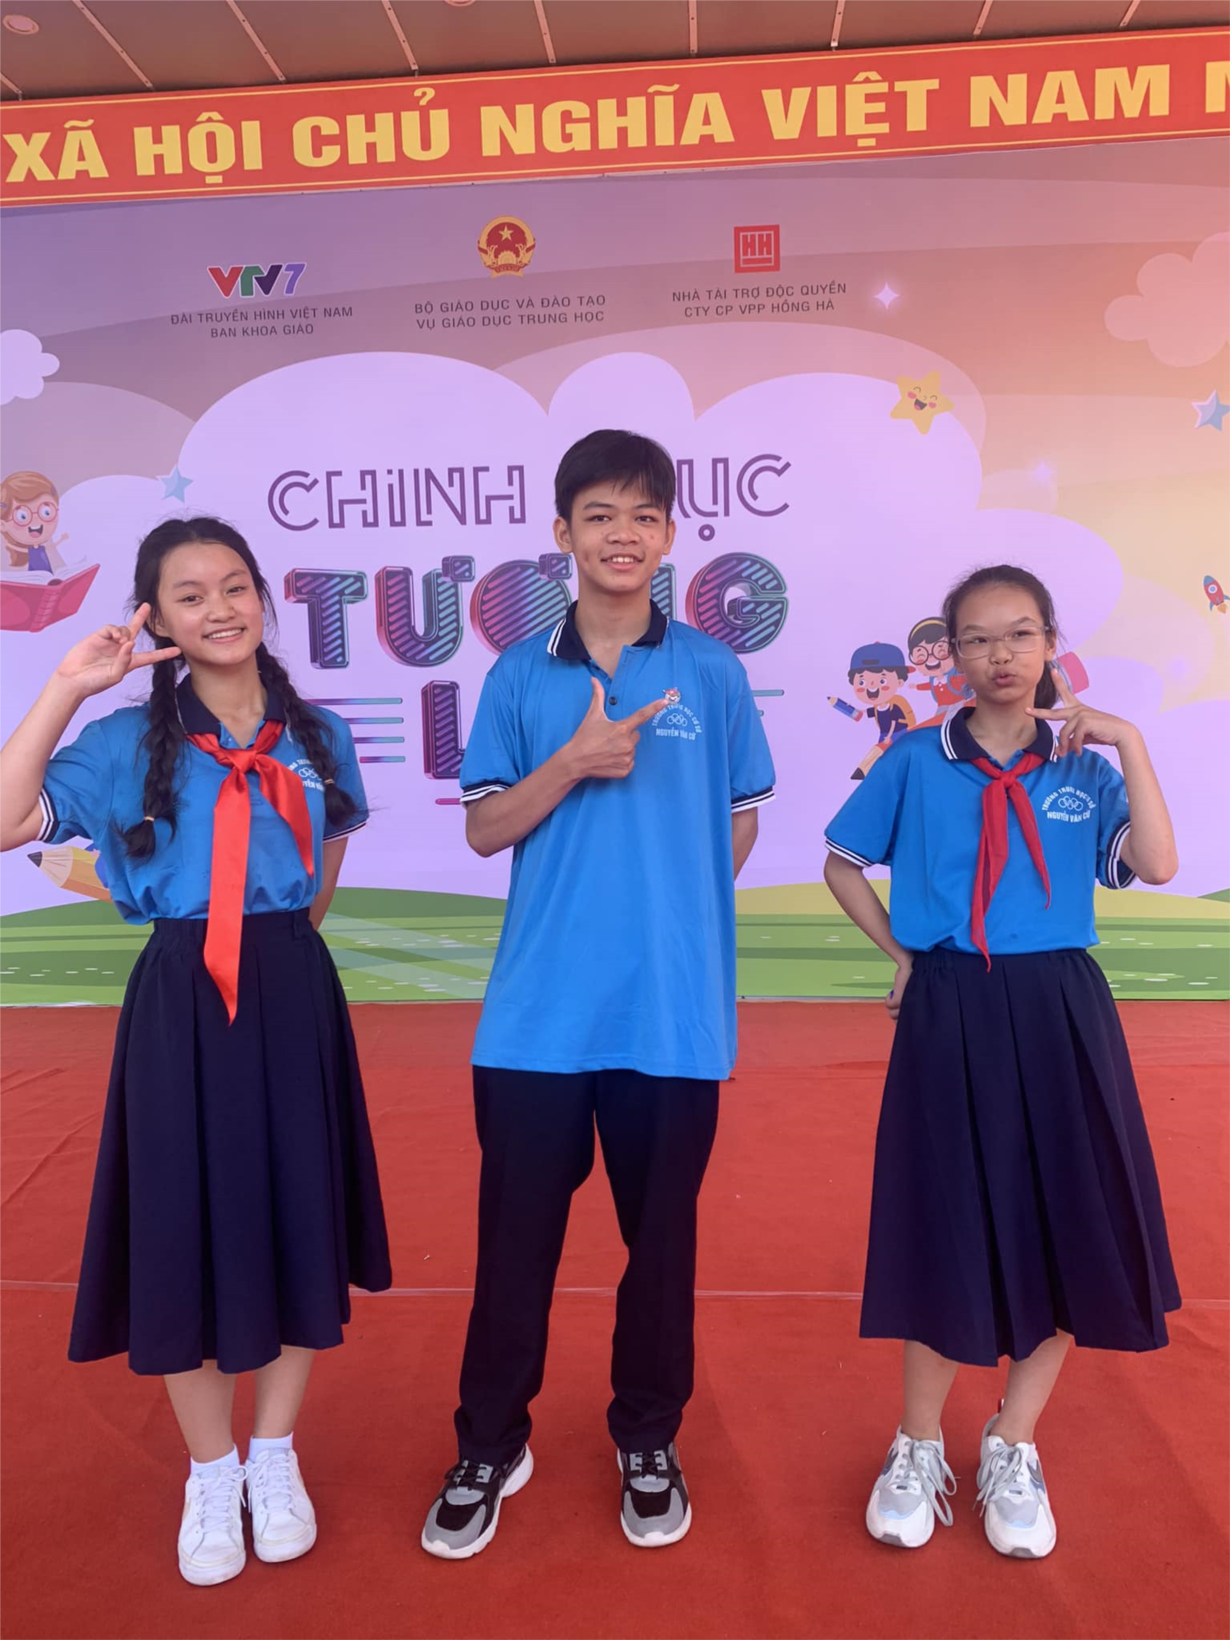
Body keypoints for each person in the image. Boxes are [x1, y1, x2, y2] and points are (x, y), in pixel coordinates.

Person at [0, 517, 392, 1586]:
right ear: (158, 619)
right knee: (182, 1225)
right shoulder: (124, 741)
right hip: (179, 999)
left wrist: (281, 961)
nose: (219, 608)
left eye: (234, 585)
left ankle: (275, 1452)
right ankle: (211, 1469)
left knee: (297, 1213)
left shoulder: (319, 735)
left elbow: (322, 872)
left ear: (262, 597)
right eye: (189, 594)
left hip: (291, 990)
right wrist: (67, 687)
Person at [421, 430, 775, 1559]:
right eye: (600, 514)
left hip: (671, 1017)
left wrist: (670, 907)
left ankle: (647, 1435)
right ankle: (489, 1442)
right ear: (562, 533)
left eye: (643, 515)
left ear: (669, 535)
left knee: (659, 1248)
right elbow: (484, 828)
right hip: (537, 1018)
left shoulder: (712, 671)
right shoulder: (519, 675)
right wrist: (572, 763)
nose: (623, 534)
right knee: (514, 1245)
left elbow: (740, 817)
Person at [823, 563, 1179, 1560]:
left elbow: (1157, 864)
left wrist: (1130, 741)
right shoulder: (914, 758)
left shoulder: (1083, 767)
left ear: (1051, 644)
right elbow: (842, 862)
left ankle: (1012, 1442)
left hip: (1061, 1007)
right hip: (949, 1003)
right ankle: (917, 1443)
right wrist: (903, 956)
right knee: (945, 1221)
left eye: (1020, 634)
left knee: (1071, 1218)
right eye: (977, 638)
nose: (1000, 655)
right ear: (954, 656)